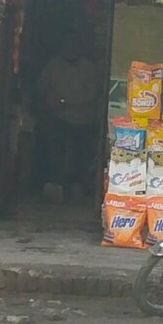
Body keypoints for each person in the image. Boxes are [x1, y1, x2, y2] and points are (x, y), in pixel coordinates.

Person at [37, 31, 100, 202]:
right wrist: (49, 99)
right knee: (56, 154)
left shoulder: (88, 68)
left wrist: (66, 102)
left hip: (82, 120)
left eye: (74, 45)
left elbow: (93, 94)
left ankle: (79, 190)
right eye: (67, 45)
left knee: (81, 156)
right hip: (58, 119)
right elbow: (42, 88)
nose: (70, 49)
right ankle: (57, 188)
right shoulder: (53, 65)